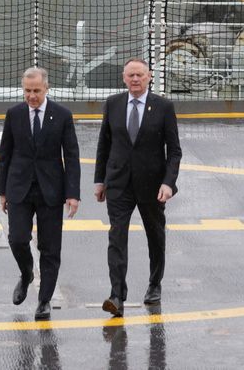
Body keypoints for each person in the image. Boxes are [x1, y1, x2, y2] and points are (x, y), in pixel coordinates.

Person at [94, 58, 182, 317]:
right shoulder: (113, 104)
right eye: (131, 75)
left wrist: (169, 183)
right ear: (124, 77)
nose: (135, 79)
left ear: (149, 77)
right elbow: (104, 145)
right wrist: (100, 181)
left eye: (140, 75)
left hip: (152, 185)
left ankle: (154, 284)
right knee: (116, 237)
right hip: (119, 184)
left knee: (155, 237)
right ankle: (116, 295)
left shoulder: (164, 107)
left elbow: (174, 151)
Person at [0, 67, 80, 321]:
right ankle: (26, 273)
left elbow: (72, 156)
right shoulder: (14, 115)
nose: (31, 96)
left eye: (36, 91)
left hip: (51, 189)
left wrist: (73, 193)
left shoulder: (63, 115)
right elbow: (5, 154)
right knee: (18, 238)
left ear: (47, 89)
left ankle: (44, 300)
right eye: (27, 91)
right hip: (19, 187)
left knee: (49, 247)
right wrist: (2, 191)